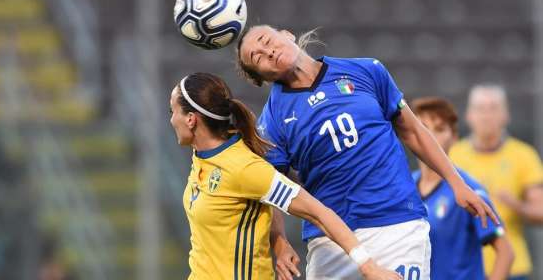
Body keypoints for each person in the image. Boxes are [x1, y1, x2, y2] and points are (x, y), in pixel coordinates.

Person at [235, 25, 499, 280]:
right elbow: (270, 189)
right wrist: (279, 242)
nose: (267, 52)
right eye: (256, 57)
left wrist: (457, 183)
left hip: (397, 222)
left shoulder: (365, 70)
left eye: (267, 41)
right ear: (260, 78)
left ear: (287, 34)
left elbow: (413, 130)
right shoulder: (272, 122)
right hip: (329, 240)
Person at [169, 72, 402, 280]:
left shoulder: (244, 167)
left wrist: (369, 267)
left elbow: (318, 213)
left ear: (191, 119)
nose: (171, 119)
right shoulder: (202, 155)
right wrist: (279, 241)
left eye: (173, 112)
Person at [411, 96, 514, 280]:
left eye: (439, 129)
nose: (430, 136)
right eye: (423, 128)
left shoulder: (468, 190)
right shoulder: (405, 187)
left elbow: (505, 253)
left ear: (454, 137)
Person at [450, 84, 543, 280]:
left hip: (513, 269)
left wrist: (516, 205)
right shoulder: (453, 156)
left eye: (493, 108)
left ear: (505, 115)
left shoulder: (524, 155)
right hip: (465, 268)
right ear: (469, 115)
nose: (486, 115)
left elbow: (540, 212)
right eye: (480, 108)